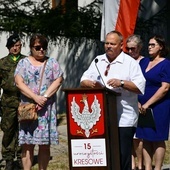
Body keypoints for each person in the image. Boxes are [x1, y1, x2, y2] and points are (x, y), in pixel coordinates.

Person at [80, 30, 146, 170]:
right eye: (106, 43)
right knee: (105, 154)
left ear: (121, 45)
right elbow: (84, 79)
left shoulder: (130, 63)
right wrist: (90, 84)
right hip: (101, 117)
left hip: (124, 117)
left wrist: (122, 83)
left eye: (112, 44)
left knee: (122, 155)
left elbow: (140, 87)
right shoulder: (98, 60)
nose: (108, 46)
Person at [14, 34, 63, 170]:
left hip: (46, 111)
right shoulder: (23, 63)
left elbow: (58, 80)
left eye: (44, 47)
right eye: (38, 47)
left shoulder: (52, 63)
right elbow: (19, 83)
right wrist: (35, 97)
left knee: (44, 145)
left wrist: (45, 97)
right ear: (31, 48)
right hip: (29, 109)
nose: (41, 50)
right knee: (27, 145)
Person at [136, 35, 170, 170]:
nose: (149, 47)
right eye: (148, 45)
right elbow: (136, 81)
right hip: (141, 106)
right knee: (145, 136)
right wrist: (138, 102)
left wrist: (147, 104)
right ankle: (148, 167)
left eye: (153, 45)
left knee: (157, 137)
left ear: (160, 47)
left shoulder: (166, 64)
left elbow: (165, 87)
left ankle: (158, 168)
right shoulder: (143, 62)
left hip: (159, 106)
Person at [0, 33, 26, 170]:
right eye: (13, 46)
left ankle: (22, 157)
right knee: (8, 130)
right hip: (8, 101)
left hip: (23, 100)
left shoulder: (26, 61)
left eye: (18, 46)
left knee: (23, 130)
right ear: (8, 47)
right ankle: (8, 159)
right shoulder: (2, 62)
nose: (15, 48)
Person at [126, 34, 145, 170]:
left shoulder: (145, 63)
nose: (131, 52)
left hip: (142, 103)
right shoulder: (126, 61)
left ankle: (140, 164)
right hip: (127, 103)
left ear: (139, 48)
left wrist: (140, 101)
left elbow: (142, 84)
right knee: (129, 137)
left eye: (133, 49)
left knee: (138, 138)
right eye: (128, 49)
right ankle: (132, 164)